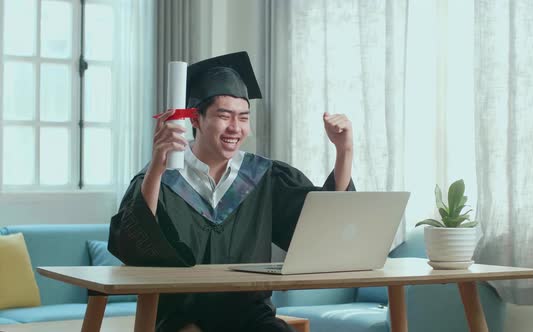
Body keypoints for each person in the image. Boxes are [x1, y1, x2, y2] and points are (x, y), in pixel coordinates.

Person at [108, 51, 354, 332]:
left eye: (243, 117)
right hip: (180, 316)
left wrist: (343, 150)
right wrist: (156, 168)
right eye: (224, 116)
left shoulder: (263, 176)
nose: (235, 128)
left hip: (249, 316)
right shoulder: (162, 176)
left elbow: (322, 226)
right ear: (195, 120)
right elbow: (133, 242)